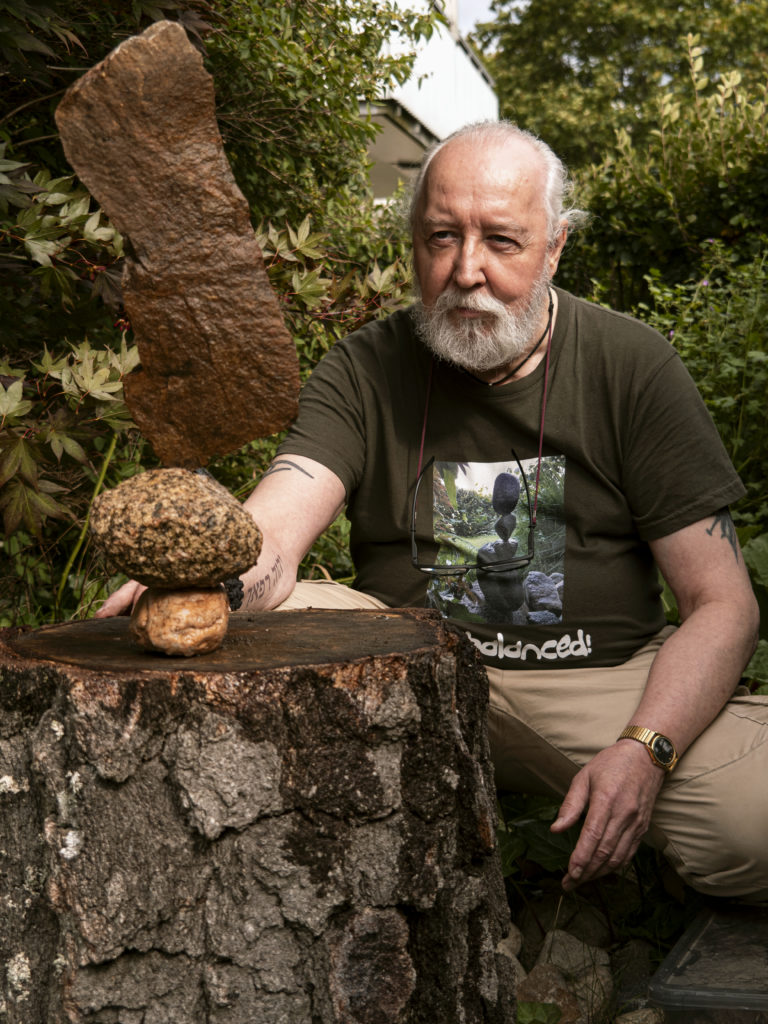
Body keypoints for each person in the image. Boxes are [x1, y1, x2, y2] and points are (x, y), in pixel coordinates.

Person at [99, 120, 767, 901]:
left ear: (554, 249)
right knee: (245, 635)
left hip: (598, 681)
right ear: (414, 244)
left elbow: (721, 602)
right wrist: (214, 585)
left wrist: (645, 747)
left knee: (757, 830)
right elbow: (275, 532)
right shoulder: (366, 366)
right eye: (442, 237)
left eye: (504, 242)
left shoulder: (630, 365)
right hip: (403, 667)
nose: (467, 271)